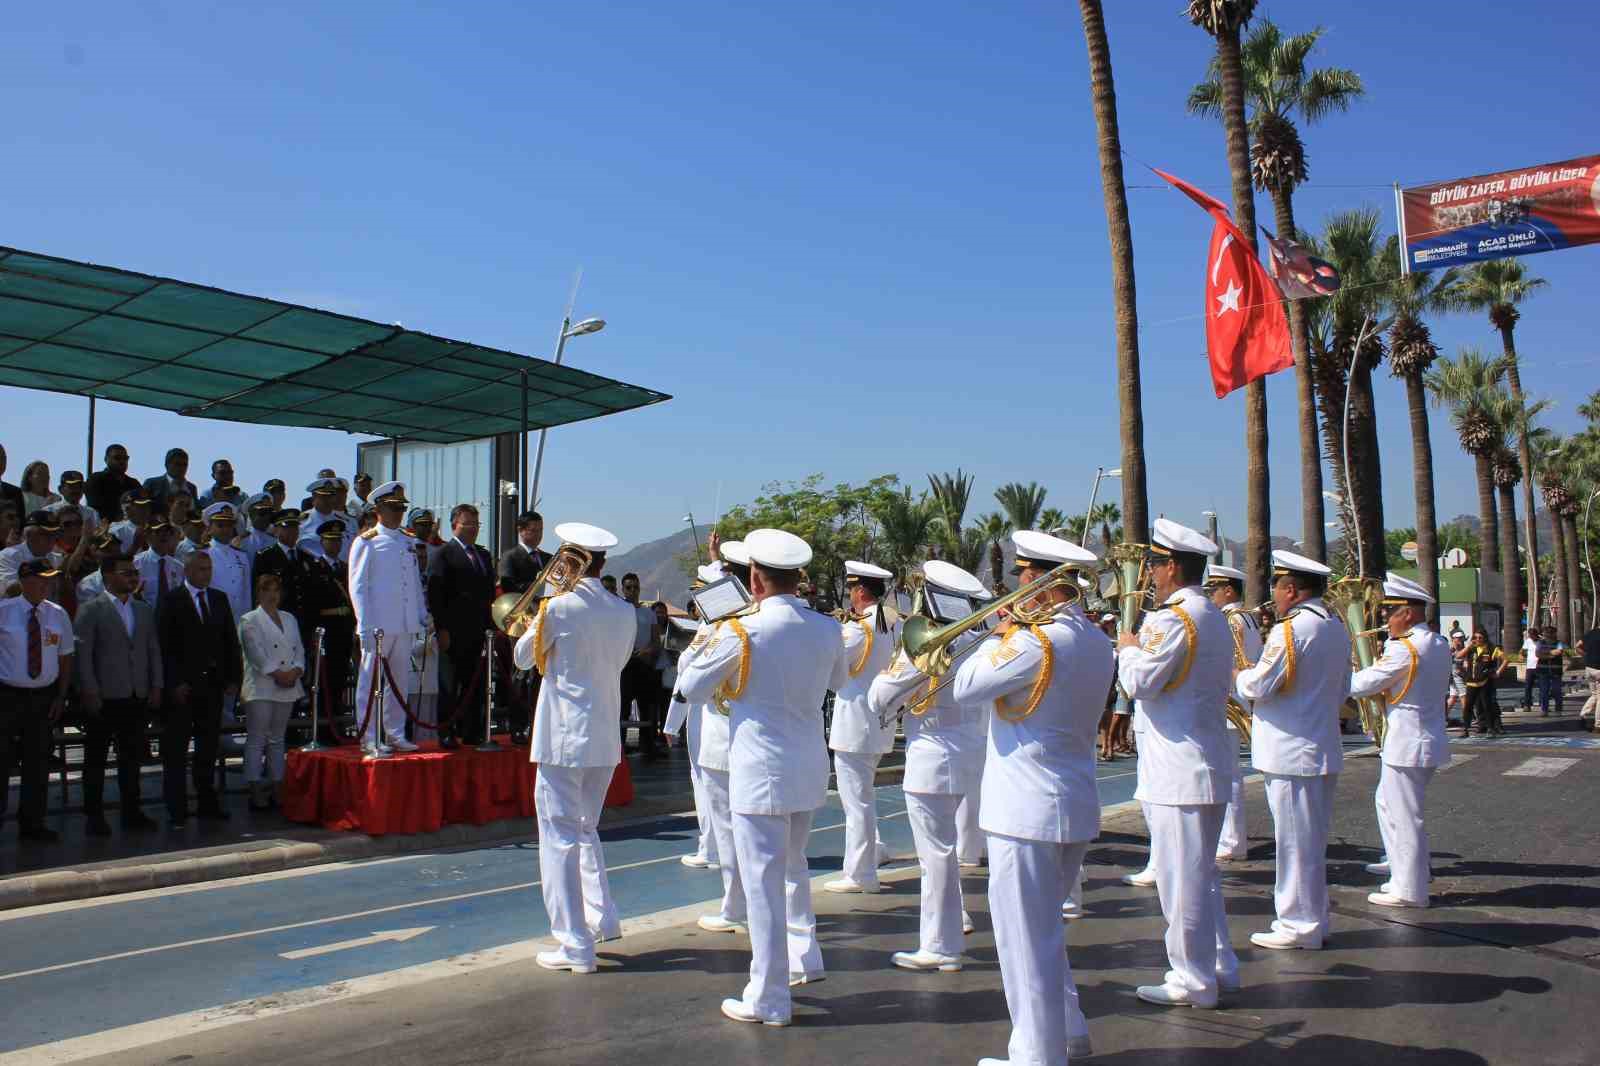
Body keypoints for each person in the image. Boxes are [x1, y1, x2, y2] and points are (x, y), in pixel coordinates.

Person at [676, 528, 847, 1026]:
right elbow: (838, 681)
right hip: (808, 766)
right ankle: (804, 957)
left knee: (762, 885)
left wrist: (711, 638)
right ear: (798, 577)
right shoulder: (826, 628)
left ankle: (769, 996)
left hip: (759, 772)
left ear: (754, 579)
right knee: (793, 869)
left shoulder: (742, 630)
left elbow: (690, 687)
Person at [949, 530, 1107, 1065]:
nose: (1015, 585)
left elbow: (966, 686)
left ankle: (1037, 1055)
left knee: (1023, 941)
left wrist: (1001, 633)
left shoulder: (1034, 642)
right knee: (1044, 934)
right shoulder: (1094, 639)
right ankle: (1070, 1030)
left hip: (1025, 811)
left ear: (1040, 581)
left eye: (1022, 575)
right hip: (1071, 801)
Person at [1116, 520, 1239, 1008]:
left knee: (1180, 883)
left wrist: (1128, 650)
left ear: (1171, 566)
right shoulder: (1211, 614)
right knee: (1200, 878)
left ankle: (1193, 980)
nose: (1148, 572)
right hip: (1203, 764)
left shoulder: (1172, 620)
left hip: (1178, 772)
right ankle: (1219, 964)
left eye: (1153, 563)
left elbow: (1139, 683)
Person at [513, 522, 636, 974]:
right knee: (586, 829)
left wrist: (542, 607)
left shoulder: (558, 608)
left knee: (559, 837)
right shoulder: (624, 610)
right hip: (603, 735)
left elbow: (521, 657)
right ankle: (602, 918)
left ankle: (573, 943)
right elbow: (618, 662)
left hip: (563, 737)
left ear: (569, 560)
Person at [866, 558, 988, 972]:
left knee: (935, 854)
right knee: (948, 850)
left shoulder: (925, 643)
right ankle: (956, 919)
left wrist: (891, 674)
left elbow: (880, 697)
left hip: (932, 758)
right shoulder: (982, 640)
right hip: (973, 753)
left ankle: (940, 945)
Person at [1235, 550, 1351, 951]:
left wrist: (1240, 675)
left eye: (1277, 588)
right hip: (1319, 745)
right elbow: (1344, 688)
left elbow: (1260, 685)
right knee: (1310, 842)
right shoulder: (1334, 624)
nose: (1274, 596)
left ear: (1291, 590)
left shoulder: (1294, 628)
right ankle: (1314, 919)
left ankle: (1298, 924)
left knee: (1294, 845)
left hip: (1290, 752)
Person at [1351, 574, 1451, 909]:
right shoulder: (1436, 642)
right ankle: (1402, 866)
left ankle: (1410, 888)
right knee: (1387, 802)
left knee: (1405, 815)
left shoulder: (1406, 649)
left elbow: (1363, 684)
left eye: (1389, 612)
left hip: (1408, 743)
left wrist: (1336, 675)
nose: (1384, 619)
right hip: (1423, 739)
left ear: (1407, 613)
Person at [683, 544, 750, 936]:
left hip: (722, 737)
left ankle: (736, 906)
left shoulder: (725, 627)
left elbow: (688, 677)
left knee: (728, 828)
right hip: (760, 743)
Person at [824, 560, 900, 895]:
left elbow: (833, 671)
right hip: (879, 720)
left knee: (856, 803)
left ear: (860, 591)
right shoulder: (893, 622)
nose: (850, 596)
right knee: (864, 795)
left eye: (852, 589)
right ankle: (875, 849)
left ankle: (860, 874)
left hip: (854, 724)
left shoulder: (858, 629)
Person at [73, 554, 162, 836]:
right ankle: (94, 815)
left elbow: (152, 649)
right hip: (103, 696)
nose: (133, 577)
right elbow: (83, 655)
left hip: (135, 693)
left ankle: (131, 812)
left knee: (131, 758)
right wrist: (89, 690)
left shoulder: (143, 609)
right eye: (126, 572)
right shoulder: (91, 610)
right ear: (108, 576)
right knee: (96, 760)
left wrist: (156, 685)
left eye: (134, 572)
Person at [156, 550, 242, 828]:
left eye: (209, 569)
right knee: (176, 751)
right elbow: (164, 646)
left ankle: (207, 803)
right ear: (188, 571)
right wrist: (174, 682)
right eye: (202, 569)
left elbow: (230, 639)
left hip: (212, 686)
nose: (207, 574)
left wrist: (233, 677)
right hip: (182, 689)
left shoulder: (218, 598)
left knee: (208, 749)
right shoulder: (171, 600)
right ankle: (176, 808)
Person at [0, 558, 75, 842]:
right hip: (8, 696)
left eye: (50, 579)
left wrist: (61, 695)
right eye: (42, 579)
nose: (48, 584)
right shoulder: (4, 611)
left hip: (43, 697)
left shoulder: (57, 613)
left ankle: (32, 823)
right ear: (25, 581)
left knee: (38, 763)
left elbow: (65, 657)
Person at [350, 482, 427, 755]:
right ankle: (368, 736)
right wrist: (364, 625)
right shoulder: (367, 541)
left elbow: (413, 582)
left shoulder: (407, 541)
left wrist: (421, 614)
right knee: (370, 682)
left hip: (404, 623)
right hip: (378, 624)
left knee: (399, 683)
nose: (398, 513)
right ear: (379, 509)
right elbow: (358, 587)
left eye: (401, 508)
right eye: (393, 508)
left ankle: (395, 733)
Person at [427, 504, 496, 747]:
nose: (473, 529)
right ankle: (446, 732)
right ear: (454, 525)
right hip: (453, 631)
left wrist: (490, 626)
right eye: (468, 524)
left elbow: (489, 593)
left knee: (475, 683)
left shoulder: (482, 555)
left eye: (476, 524)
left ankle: (472, 731)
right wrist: (441, 628)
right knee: (449, 684)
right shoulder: (443, 554)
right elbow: (435, 595)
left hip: (479, 631)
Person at [1204, 563, 1259, 863]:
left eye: (1214, 589)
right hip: (1238, 698)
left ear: (1228, 591)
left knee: (1227, 773)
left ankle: (1232, 840)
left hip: (1229, 701)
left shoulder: (1230, 620)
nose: (1210, 595)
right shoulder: (1247, 617)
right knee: (1229, 771)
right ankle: (1230, 837)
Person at [239, 573, 306, 810]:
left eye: (276, 590)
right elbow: (256, 655)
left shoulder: (289, 618)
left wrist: (296, 670)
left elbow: (299, 649)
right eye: (266, 590)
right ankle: (255, 787)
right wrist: (279, 674)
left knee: (278, 738)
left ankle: (278, 785)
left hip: (288, 684)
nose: (272, 595)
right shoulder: (249, 619)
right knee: (257, 738)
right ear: (258, 593)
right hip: (262, 686)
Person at [201, 503, 251, 627]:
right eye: (220, 525)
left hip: (239, 620)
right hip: (213, 619)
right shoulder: (201, 554)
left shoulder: (242, 556)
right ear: (209, 528)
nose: (225, 529)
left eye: (229, 525)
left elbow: (246, 592)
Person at [0, 511, 65, 600]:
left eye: (54, 534)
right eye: (45, 534)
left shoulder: (58, 559)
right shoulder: (8, 556)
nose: (51, 538)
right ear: (29, 535)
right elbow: (12, 590)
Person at [1461, 630, 1506, 736]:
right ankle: (1466, 729)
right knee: (1468, 706)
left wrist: (1498, 672)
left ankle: (1491, 728)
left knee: (1487, 705)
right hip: (1471, 683)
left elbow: (1506, 658)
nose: (1477, 640)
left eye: (1480, 638)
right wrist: (1468, 646)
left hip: (1485, 682)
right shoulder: (1471, 649)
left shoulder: (1491, 648)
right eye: (1475, 638)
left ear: (1484, 638)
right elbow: (1459, 656)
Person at [134, 520, 185, 607]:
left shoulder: (179, 567)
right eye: (158, 531)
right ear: (148, 536)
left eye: (167, 531)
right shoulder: (136, 563)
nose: (164, 534)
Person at [300, 477, 352, 562]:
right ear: (314, 497)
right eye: (323, 496)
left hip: (343, 567)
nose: (328, 500)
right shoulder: (303, 522)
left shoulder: (343, 521)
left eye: (331, 496)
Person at [86, 443, 139, 521]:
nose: (122, 461)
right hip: (104, 525)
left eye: (125, 458)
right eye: (117, 458)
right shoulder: (96, 479)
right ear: (106, 459)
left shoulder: (133, 483)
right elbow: (95, 508)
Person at [142, 448, 198, 516]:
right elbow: (142, 508)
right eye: (177, 464)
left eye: (185, 464)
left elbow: (195, 513)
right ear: (167, 465)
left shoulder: (191, 488)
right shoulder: (152, 484)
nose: (181, 468)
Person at [109, 491, 152, 555]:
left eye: (147, 505)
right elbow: (115, 560)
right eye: (140, 506)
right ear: (127, 509)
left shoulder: (156, 528)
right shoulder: (117, 531)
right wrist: (135, 546)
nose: (146, 509)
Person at [238, 494, 277, 559]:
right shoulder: (241, 541)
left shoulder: (276, 540)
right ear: (251, 513)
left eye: (270, 512)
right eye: (263, 512)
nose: (267, 516)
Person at [1536, 626, 1564, 717]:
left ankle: (1558, 709)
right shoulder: (1540, 643)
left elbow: (1559, 652)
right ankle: (1544, 710)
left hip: (1556, 671)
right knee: (1544, 691)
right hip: (1543, 671)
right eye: (1546, 632)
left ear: (1554, 633)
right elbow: (1538, 654)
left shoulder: (1559, 643)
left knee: (1557, 691)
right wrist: (1551, 654)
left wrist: (1545, 653)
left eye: (1551, 632)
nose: (1548, 634)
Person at [1446, 632, 1468, 727]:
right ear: (1453, 640)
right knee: (1463, 697)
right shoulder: (1451, 650)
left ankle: (1442, 716)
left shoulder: (1463, 649)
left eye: (1461, 639)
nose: (1459, 641)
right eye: (1458, 639)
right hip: (1457, 677)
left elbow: (1466, 663)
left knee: (1453, 697)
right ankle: (1467, 719)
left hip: (1457, 676)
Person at [1520, 626, 1541, 712]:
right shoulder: (1528, 641)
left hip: (1540, 666)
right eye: (1530, 635)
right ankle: (1527, 705)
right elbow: (1522, 651)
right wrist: (1522, 655)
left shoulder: (1541, 641)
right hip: (1530, 667)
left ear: (1536, 634)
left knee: (1542, 686)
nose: (1531, 637)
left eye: (1532, 635)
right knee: (1528, 686)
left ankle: (1543, 704)